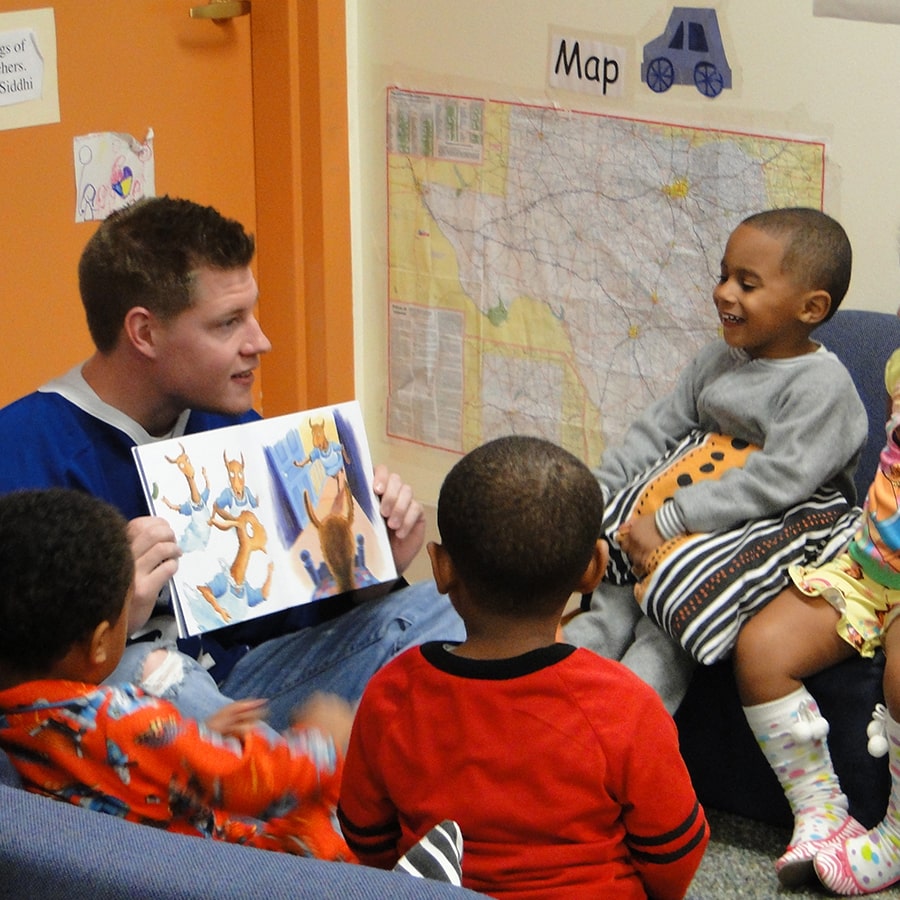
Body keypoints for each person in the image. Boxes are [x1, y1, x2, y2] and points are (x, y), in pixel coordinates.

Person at [0, 195, 464, 733]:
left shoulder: (229, 427)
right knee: (150, 669)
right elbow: (18, 681)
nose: (260, 342)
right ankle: (296, 780)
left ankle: (312, 775)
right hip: (129, 704)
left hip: (251, 681)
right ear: (144, 333)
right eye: (228, 323)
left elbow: (294, 616)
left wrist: (372, 568)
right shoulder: (23, 454)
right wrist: (109, 622)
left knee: (449, 602)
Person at [0, 487, 463, 881]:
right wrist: (323, 742)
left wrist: (201, 737)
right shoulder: (127, 721)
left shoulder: (21, 717)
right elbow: (253, 783)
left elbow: (151, 765)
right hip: (218, 866)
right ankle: (395, 888)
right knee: (312, 827)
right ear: (100, 643)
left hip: (143, 850)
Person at [338, 435, 709, 899]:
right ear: (594, 568)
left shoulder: (392, 693)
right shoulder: (627, 705)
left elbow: (366, 842)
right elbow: (675, 854)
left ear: (441, 567)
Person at [563, 207, 868, 712]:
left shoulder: (823, 388)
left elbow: (778, 481)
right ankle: (548, 711)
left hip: (765, 524)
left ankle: (623, 736)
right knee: (609, 601)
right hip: (678, 510)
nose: (724, 292)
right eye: (723, 275)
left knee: (667, 628)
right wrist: (595, 497)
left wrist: (672, 520)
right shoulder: (715, 360)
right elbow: (657, 430)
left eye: (747, 284)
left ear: (811, 308)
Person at [733, 348, 900, 893]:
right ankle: (821, 808)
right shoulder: (896, 367)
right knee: (761, 650)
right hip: (867, 565)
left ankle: (897, 833)